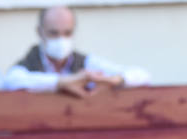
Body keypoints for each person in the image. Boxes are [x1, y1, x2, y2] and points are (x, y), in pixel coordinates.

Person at [10, 5, 150, 89]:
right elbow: (12, 80)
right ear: (40, 32)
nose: (61, 39)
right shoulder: (28, 63)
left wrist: (114, 80)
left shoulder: (86, 63)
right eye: (54, 33)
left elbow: (142, 75)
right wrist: (66, 82)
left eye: (67, 33)